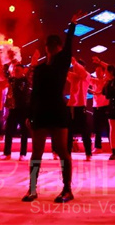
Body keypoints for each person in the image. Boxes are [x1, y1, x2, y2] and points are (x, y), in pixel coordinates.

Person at [22, 11, 81, 204]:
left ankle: (67, 189)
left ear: (58, 48)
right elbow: (34, 93)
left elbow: (69, 46)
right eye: (51, 45)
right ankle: (32, 189)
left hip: (56, 111)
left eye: (55, 45)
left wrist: (72, 25)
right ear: (47, 48)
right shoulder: (40, 69)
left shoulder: (62, 64)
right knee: (37, 152)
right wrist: (29, 114)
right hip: (42, 111)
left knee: (62, 150)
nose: (53, 48)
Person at [2, 62, 33, 161]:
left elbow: (31, 69)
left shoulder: (26, 80)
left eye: (18, 70)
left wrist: (33, 60)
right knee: (8, 131)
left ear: (23, 71)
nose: (16, 71)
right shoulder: (12, 80)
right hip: (13, 109)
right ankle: (7, 153)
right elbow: (4, 72)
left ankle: (23, 154)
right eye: (15, 70)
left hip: (24, 109)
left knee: (24, 132)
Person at [67, 58, 93, 160]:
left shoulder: (86, 76)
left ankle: (88, 153)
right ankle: (67, 153)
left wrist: (74, 63)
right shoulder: (74, 76)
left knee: (85, 131)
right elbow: (65, 73)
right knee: (68, 131)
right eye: (74, 68)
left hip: (81, 106)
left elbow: (81, 71)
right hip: (71, 106)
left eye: (76, 68)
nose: (75, 69)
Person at [90, 60, 110, 154]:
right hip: (96, 107)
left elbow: (110, 67)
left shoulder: (106, 80)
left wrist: (100, 62)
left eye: (99, 71)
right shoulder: (93, 80)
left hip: (105, 107)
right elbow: (84, 76)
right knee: (97, 128)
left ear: (103, 72)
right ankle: (98, 147)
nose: (97, 73)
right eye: (96, 71)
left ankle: (114, 147)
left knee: (109, 128)